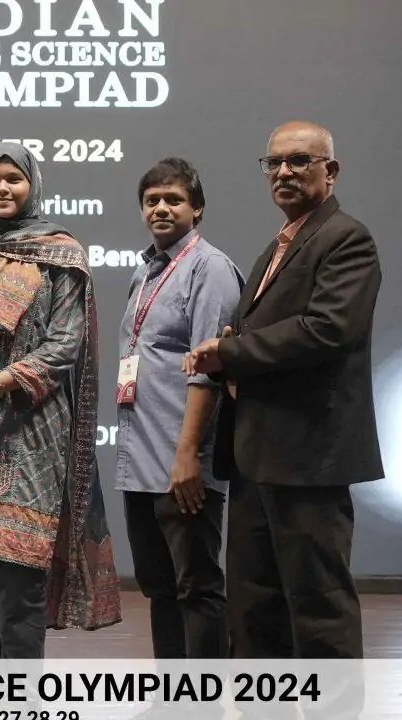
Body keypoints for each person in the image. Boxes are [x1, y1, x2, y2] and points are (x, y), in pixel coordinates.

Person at [184, 121, 384, 660]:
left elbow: (328, 329)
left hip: (308, 457)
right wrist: (232, 346)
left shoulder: (346, 238)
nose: (283, 172)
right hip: (257, 456)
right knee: (253, 607)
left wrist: (231, 352)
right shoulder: (278, 245)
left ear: (330, 171)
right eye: (273, 163)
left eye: (299, 161)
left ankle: (334, 705)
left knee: (318, 607)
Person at [0, 142, 122, 662]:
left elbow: (63, 346)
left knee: (19, 581)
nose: (2, 188)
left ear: (32, 184)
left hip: (33, 434)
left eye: (13, 178)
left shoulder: (62, 254)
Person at [115, 158, 243, 668]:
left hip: (183, 462)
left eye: (174, 200)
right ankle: (172, 697)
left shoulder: (210, 269)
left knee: (197, 587)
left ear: (198, 209)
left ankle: (203, 700)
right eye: (152, 201)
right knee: (160, 586)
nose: (162, 208)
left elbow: (208, 369)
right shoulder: (145, 270)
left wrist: (187, 455)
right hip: (141, 460)